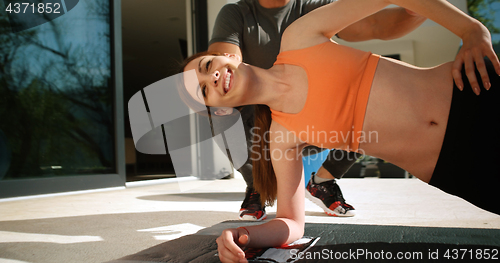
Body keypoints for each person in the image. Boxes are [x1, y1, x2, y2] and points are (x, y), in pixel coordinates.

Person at [180, 0, 500, 261]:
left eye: (207, 67)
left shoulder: (299, 36)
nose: (213, 79)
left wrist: (471, 29)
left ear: (223, 55)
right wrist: (245, 234)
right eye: (204, 91)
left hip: (473, 95)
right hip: (458, 171)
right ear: (219, 108)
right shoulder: (281, 138)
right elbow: (292, 223)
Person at [208, 0, 427, 220]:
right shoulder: (236, 13)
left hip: (316, 123)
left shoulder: (314, 7)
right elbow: (225, 59)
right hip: (258, 130)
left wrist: (415, 12)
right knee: (215, 108)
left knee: (363, 95)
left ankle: (322, 182)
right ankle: (257, 186)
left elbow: (373, 25)